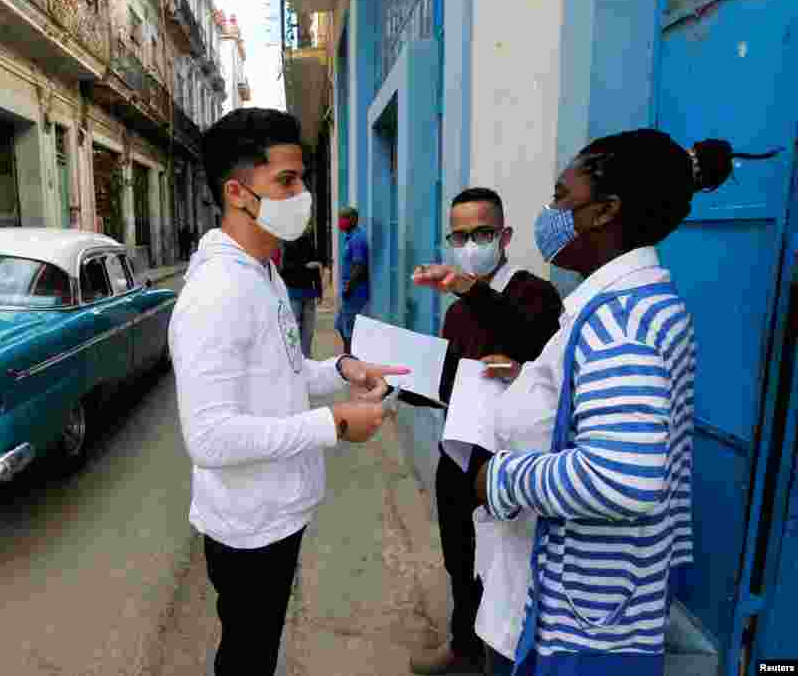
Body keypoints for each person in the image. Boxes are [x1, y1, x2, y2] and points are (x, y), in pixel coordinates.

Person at [472, 130, 767, 676]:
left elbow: (622, 478)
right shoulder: (631, 307)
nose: (551, 212)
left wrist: (500, 478)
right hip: (606, 605)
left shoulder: (618, 322)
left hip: (580, 625)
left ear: (605, 211)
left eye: (562, 197)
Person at [169, 107, 410, 676]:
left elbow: (286, 369)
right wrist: (334, 425)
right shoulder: (216, 293)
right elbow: (209, 436)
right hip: (249, 527)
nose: (302, 193)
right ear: (237, 192)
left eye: (302, 178)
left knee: (259, 648)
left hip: (279, 510)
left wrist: (342, 370)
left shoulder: (263, 271)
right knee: (248, 656)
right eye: (286, 180)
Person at [405, 187, 563, 675]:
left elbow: (527, 338)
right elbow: (450, 378)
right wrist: (397, 380)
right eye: (460, 236)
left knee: (503, 565)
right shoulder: (457, 311)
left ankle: (499, 659)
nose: (470, 244)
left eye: (482, 233)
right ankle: (463, 648)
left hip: (509, 462)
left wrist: (469, 290)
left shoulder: (533, 293)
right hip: (459, 452)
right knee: (459, 555)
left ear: (505, 236)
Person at [281, 224, 323, 358]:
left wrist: (319, 291)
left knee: (309, 329)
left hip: (309, 293)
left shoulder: (309, 243)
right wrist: (305, 267)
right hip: (294, 293)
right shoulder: (287, 244)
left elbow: (315, 267)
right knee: (294, 327)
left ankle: (306, 357)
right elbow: (284, 269)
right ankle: (294, 357)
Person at [335, 206, 369, 354]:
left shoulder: (357, 239)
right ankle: (349, 354)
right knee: (340, 325)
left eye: (344, 218)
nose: (341, 222)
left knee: (348, 328)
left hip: (355, 291)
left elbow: (359, 266)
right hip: (350, 290)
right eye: (340, 218)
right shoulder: (350, 238)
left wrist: (349, 287)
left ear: (354, 220)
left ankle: (350, 358)